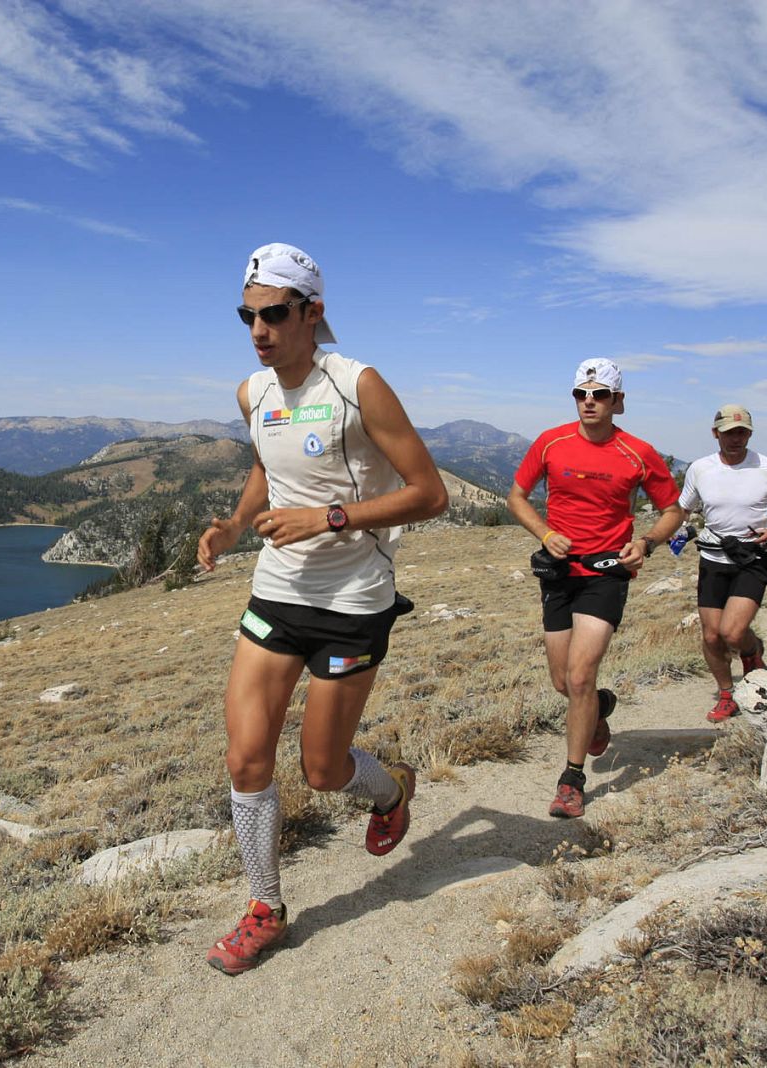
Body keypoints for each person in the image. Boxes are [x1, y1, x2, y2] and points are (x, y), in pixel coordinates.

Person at [196, 242, 448, 975]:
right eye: (247, 316)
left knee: (323, 770)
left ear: (313, 313)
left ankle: (391, 785)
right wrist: (235, 525)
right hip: (277, 592)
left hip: (351, 600)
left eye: (274, 314)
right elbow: (266, 466)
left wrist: (332, 518)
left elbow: (429, 493)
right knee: (246, 757)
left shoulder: (358, 384)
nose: (258, 330)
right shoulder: (253, 394)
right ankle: (264, 907)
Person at [506, 358, 684, 819]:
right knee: (564, 682)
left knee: (580, 676)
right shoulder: (551, 442)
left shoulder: (638, 453)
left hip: (606, 572)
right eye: (582, 394)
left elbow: (673, 511)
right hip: (559, 573)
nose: (590, 401)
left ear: (617, 402)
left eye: (600, 394)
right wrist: (545, 534)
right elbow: (516, 498)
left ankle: (571, 780)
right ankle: (599, 709)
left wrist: (645, 543)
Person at [675, 404, 767, 721]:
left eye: (742, 432)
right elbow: (683, 507)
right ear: (715, 432)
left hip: (753, 557)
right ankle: (727, 694)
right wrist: (674, 531)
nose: (736, 439)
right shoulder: (700, 469)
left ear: (750, 433)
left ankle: (750, 651)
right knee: (711, 636)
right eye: (730, 432)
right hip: (713, 557)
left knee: (733, 632)